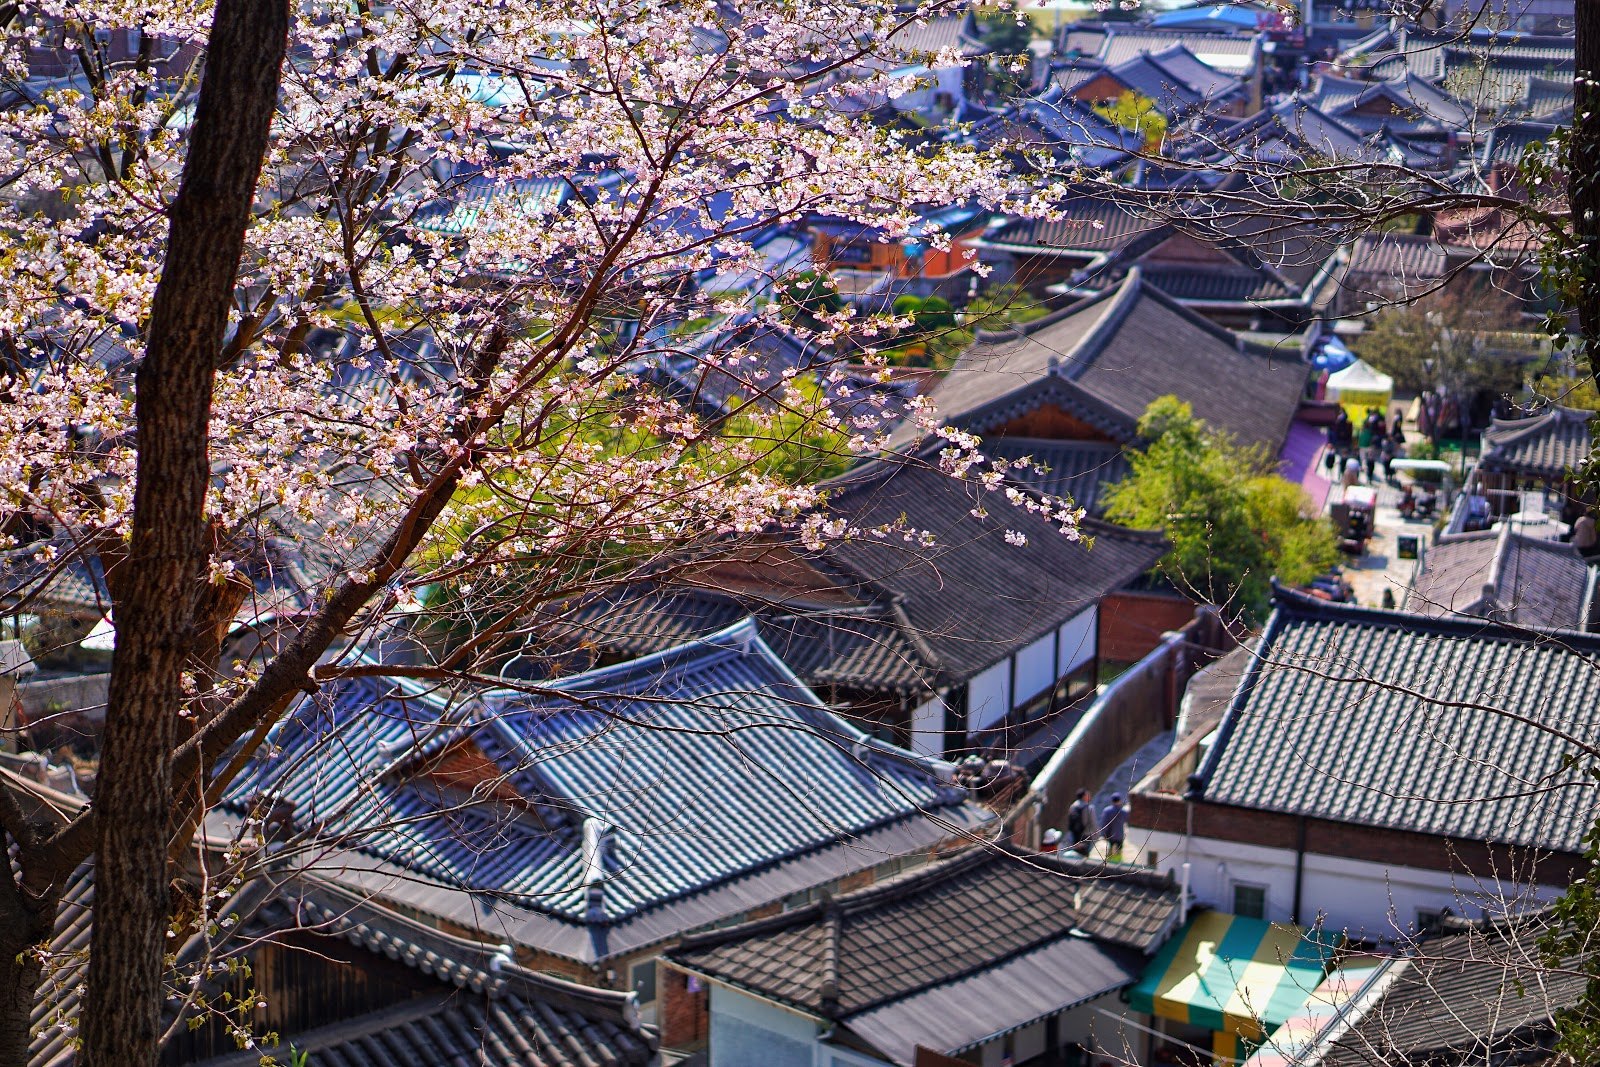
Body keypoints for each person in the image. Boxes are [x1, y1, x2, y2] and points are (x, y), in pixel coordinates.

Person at [1100, 793, 1128, 862]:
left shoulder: (1107, 811)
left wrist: (1103, 834)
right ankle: (1117, 863)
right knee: (1118, 851)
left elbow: (1104, 824)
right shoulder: (1123, 811)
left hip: (1110, 835)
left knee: (1109, 851)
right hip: (1119, 836)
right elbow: (1127, 820)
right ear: (1120, 800)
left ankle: (1108, 864)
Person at [1066, 788, 1095, 853]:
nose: (1089, 796)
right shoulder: (1089, 808)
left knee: (1076, 854)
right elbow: (1093, 823)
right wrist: (1097, 836)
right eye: (1088, 795)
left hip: (1075, 835)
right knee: (1084, 855)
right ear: (1084, 796)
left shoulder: (1073, 806)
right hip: (1086, 835)